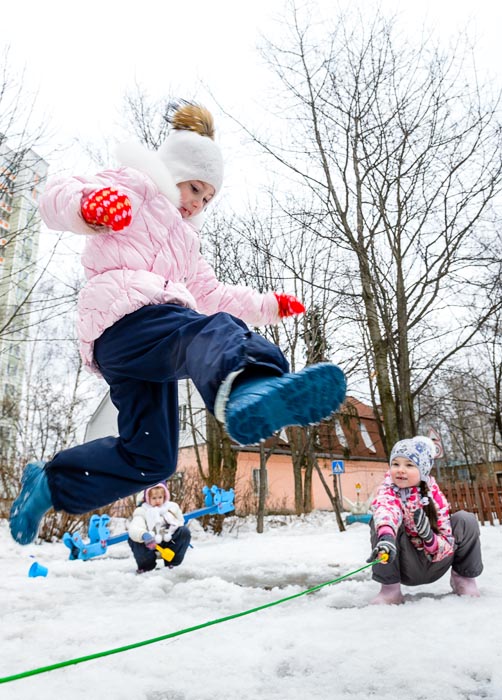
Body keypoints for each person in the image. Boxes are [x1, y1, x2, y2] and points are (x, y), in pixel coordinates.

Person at [10, 101, 346, 545]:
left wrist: (267, 305)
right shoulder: (133, 185)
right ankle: (248, 383)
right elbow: (56, 195)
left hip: (145, 352)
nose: (196, 204)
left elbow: (212, 294)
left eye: (207, 198)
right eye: (193, 188)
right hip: (124, 321)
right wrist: (91, 206)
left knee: (152, 457)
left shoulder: (187, 242)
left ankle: (50, 485)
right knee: (203, 330)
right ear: (170, 171)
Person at [367, 435, 483, 605]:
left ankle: (463, 580)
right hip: (405, 564)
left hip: (436, 561)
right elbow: (386, 509)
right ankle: (390, 590)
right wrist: (387, 538)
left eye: (409, 465)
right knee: (379, 521)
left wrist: (429, 538)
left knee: (466, 519)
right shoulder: (388, 490)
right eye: (395, 464)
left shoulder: (434, 497)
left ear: (423, 469)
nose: (400, 470)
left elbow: (446, 538)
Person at [127, 482, 190, 574]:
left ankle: (173, 564)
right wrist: (144, 535)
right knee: (134, 539)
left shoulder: (171, 508)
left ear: (165, 496)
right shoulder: (143, 511)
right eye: (154, 498)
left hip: (167, 540)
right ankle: (146, 567)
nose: (157, 501)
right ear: (148, 498)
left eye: (160, 497)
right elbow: (134, 528)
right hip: (149, 543)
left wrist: (172, 528)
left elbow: (180, 521)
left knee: (184, 531)